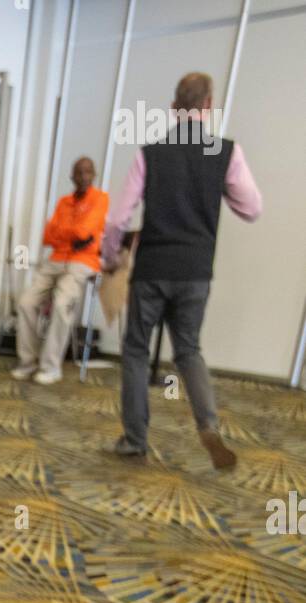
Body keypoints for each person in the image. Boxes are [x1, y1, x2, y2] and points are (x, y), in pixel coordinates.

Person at [102, 72, 262, 470]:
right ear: (208, 105)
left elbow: (118, 218)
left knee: (137, 351)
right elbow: (252, 208)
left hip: (153, 268)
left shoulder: (151, 154)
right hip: (195, 271)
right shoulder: (223, 151)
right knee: (188, 349)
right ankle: (207, 423)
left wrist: (109, 257)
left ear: (174, 108)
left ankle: (134, 439)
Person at [11, 157, 108, 385]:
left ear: (93, 175)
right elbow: (48, 236)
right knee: (26, 303)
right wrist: (72, 233)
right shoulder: (64, 202)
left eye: (87, 172)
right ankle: (28, 361)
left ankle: (50, 366)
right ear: (72, 176)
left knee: (62, 304)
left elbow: (84, 232)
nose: (83, 177)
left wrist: (69, 232)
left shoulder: (101, 199)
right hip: (56, 258)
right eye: (78, 173)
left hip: (82, 261)